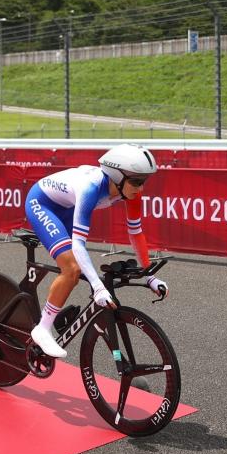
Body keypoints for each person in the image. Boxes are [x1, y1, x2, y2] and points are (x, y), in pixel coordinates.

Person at [24, 143, 169, 358]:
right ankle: (42, 328)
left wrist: (149, 276)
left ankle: (58, 308)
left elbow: (136, 233)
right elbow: (79, 245)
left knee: (80, 269)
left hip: (66, 207)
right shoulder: (91, 187)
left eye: (144, 181)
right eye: (137, 182)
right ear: (117, 177)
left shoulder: (130, 192)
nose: (141, 188)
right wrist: (98, 287)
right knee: (72, 269)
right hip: (43, 204)